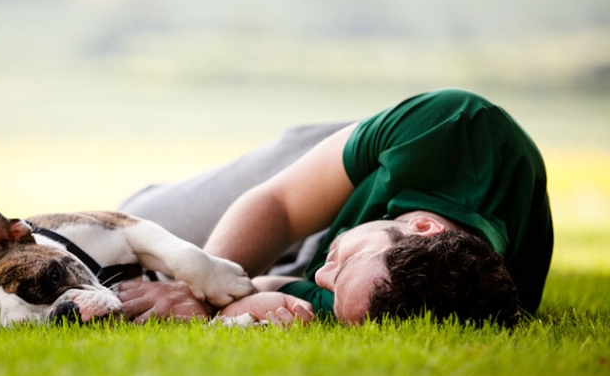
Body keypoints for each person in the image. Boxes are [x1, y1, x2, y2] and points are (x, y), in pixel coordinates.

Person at [117, 88, 553, 327]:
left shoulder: (399, 302)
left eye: (333, 290)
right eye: (342, 268)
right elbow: (281, 204)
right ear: (422, 226)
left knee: (130, 269)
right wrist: (200, 286)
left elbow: (269, 286)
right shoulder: (452, 125)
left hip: (343, 233)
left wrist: (229, 304)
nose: (322, 280)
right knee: (142, 214)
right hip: (327, 181)